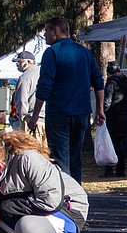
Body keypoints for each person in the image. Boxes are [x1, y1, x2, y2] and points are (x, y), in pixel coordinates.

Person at [26, 17, 104, 182]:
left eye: (47, 31)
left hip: (59, 113)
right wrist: (100, 110)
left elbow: (44, 85)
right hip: (82, 113)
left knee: (60, 160)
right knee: (76, 158)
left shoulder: (52, 52)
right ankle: (76, 196)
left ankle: (64, 197)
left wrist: (35, 116)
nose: (45, 35)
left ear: (55, 31)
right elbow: (98, 82)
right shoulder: (84, 52)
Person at [101, 62, 127, 177]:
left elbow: (107, 102)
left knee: (109, 144)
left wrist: (102, 113)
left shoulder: (111, 83)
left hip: (113, 117)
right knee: (121, 145)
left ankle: (109, 170)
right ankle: (121, 169)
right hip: (124, 116)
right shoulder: (126, 82)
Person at [12, 51, 44, 141]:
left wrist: (22, 118)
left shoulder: (25, 77)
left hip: (31, 119)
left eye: (19, 62)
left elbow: (21, 100)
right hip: (46, 118)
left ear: (29, 62)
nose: (18, 65)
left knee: (31, 149)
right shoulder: (43, 72)